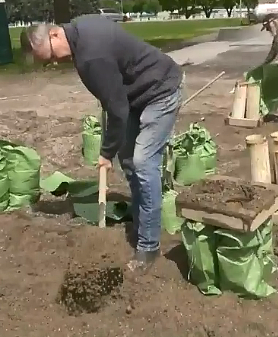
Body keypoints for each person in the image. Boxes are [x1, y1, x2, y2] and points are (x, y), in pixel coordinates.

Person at [20, 16, 183, 273]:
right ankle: (143, 221)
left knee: (143, 161)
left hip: (159, 90)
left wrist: (106, 153)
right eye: (48, 62)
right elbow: (112, 102)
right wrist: (115, 149)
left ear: (54, 35)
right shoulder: (79, 28)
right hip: (134, 95)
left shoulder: (90, 57)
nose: (55, 62)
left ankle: (149, 247)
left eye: (50, 57)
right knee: (129, 161)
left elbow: (117, 110)